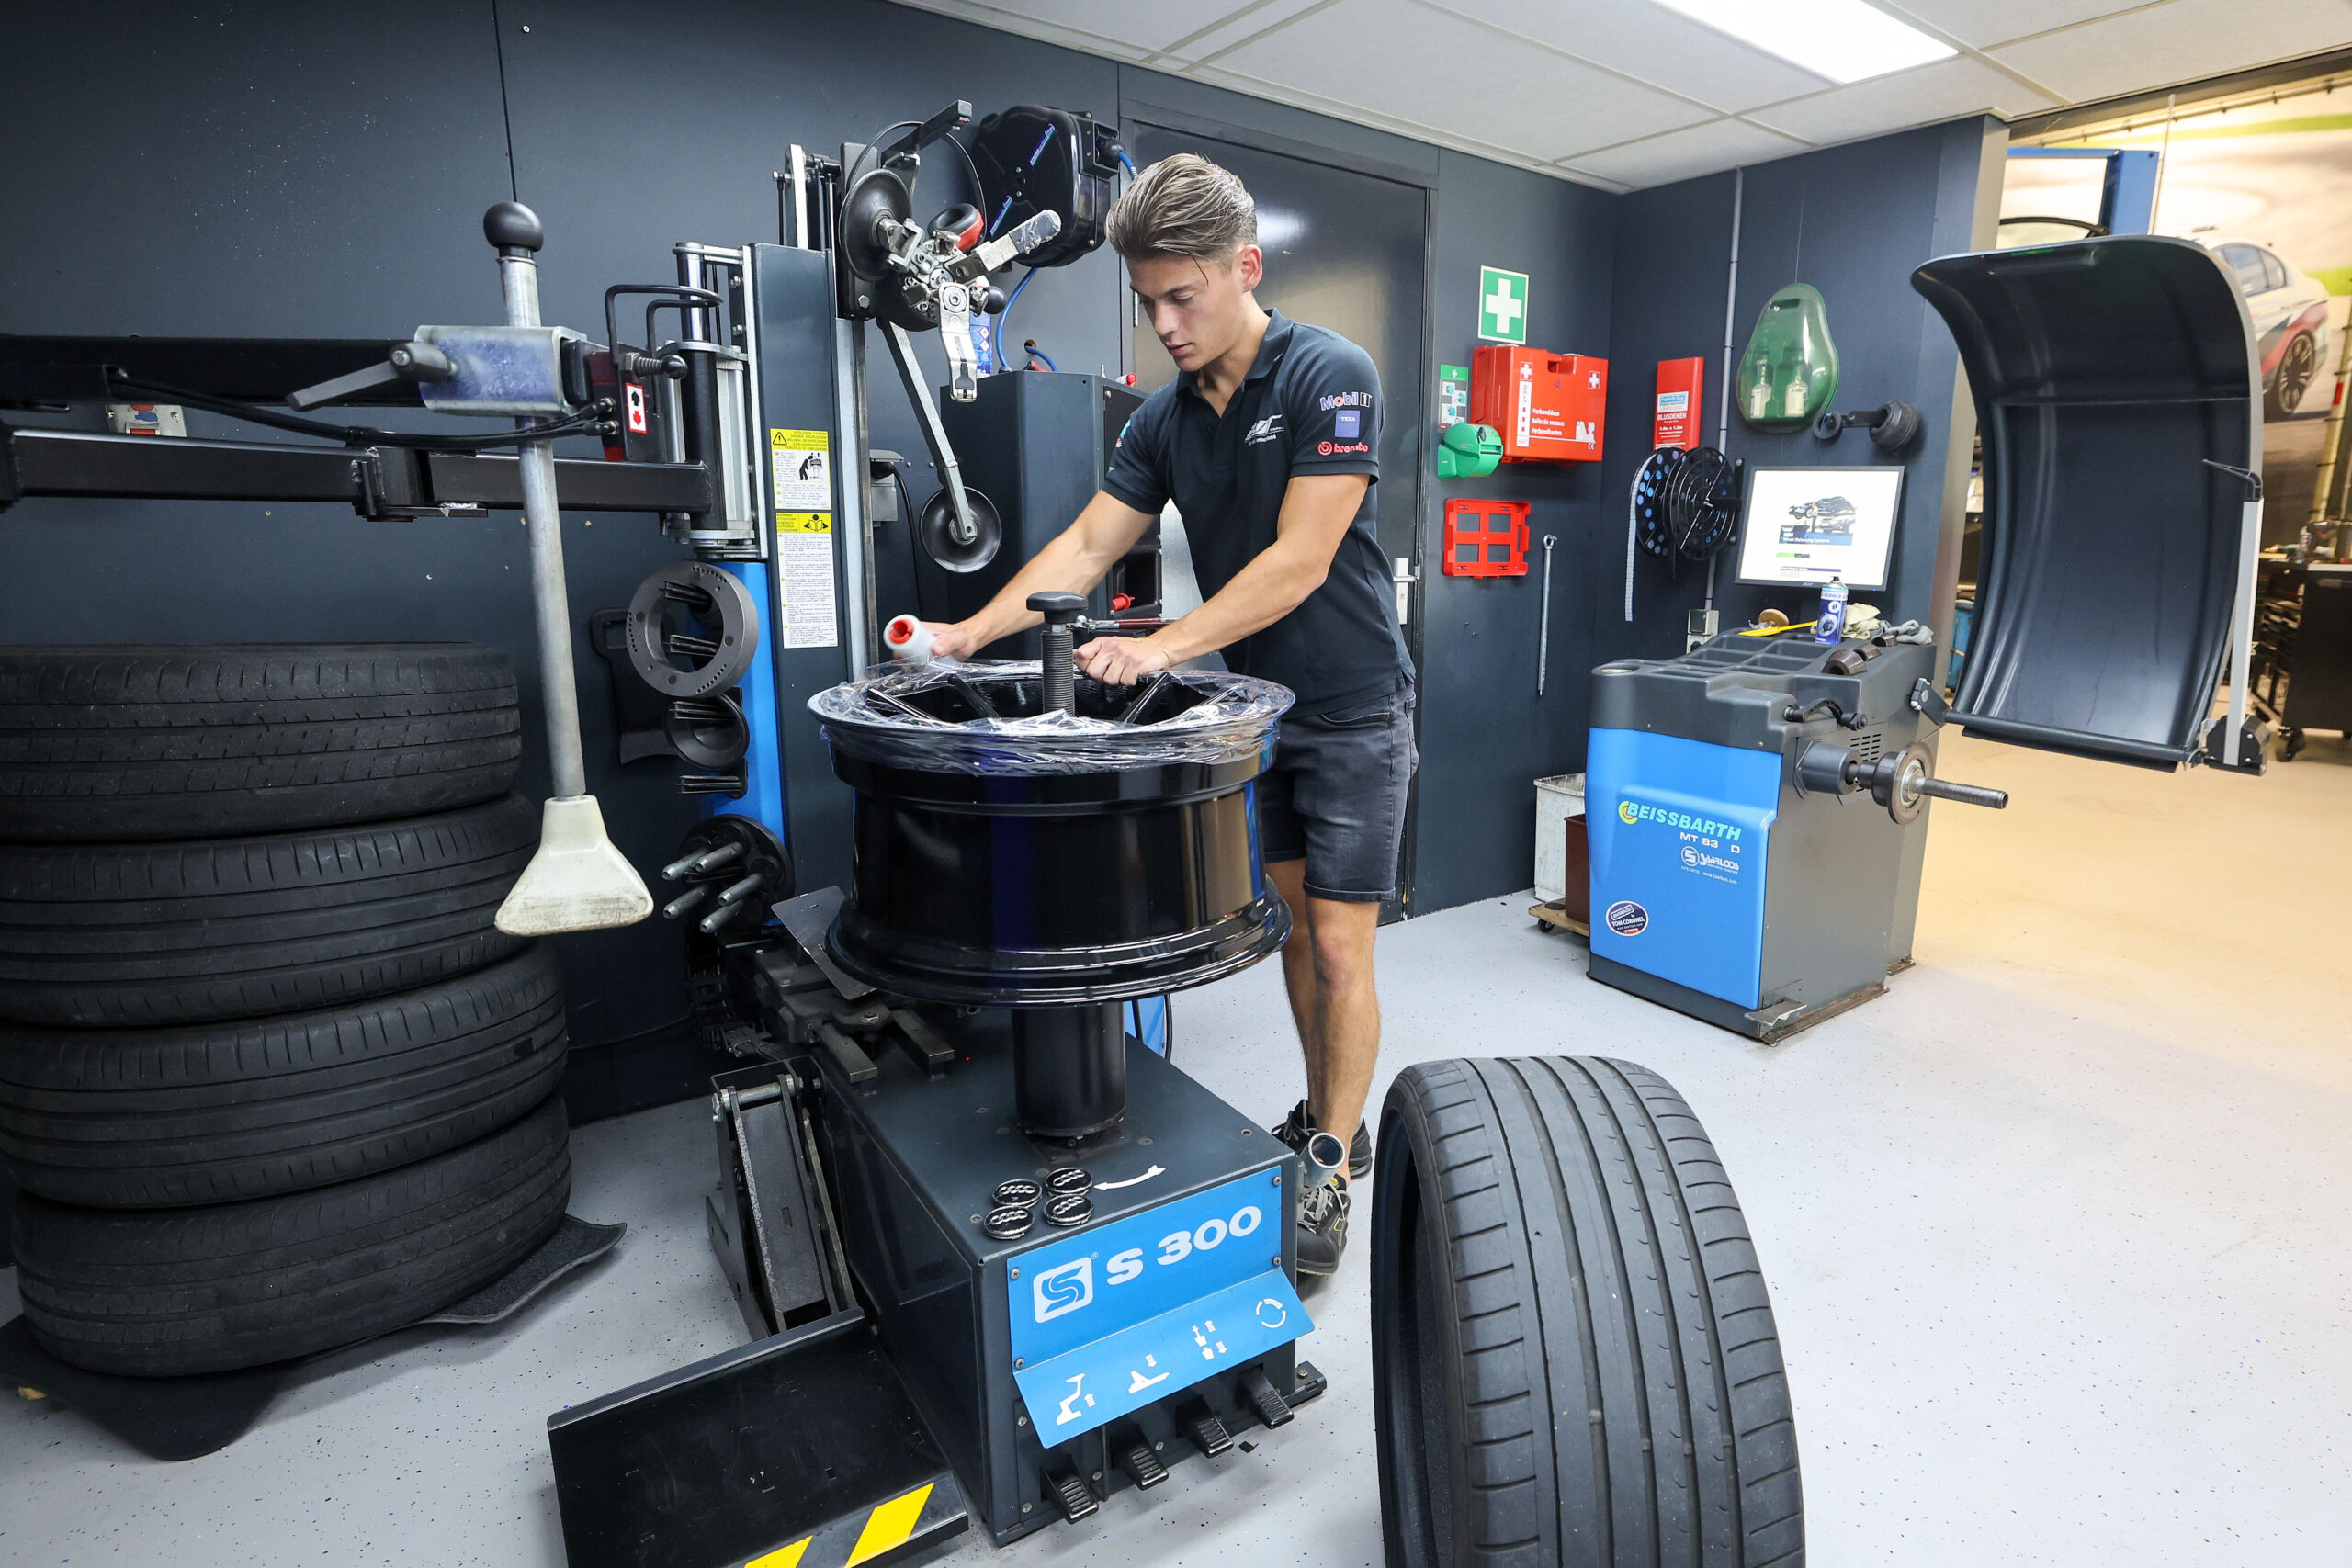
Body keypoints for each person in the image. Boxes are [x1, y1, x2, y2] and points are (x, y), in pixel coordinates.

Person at [923, 153, 1416, 1275]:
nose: (1165, 325)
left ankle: (1329, 1164)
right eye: (1148, 302)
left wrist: (1158, 645)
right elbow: (1085, 546)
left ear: (1245, 268)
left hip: (1352, 707)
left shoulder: (1327, 373)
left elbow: (1299, 560)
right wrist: (968, 634)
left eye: (1182, 297)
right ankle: (1329, 1116)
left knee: (1342, 947)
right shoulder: (1163, 418)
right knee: (1298, 931)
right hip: (1263, 710)